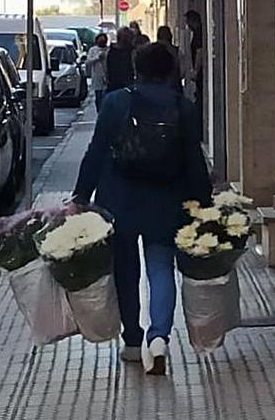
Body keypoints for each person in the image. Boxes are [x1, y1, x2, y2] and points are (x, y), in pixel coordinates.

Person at [73, 43, 212, 376]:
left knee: (125, 270)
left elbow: (96, 152)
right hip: (166, 201)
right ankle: (159, 337)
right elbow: (194, 161)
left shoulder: (116, 102)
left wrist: (81, 195)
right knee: (161, 267)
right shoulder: (184, 107)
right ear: (169, 72)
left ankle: (133, 341)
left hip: (119, 200)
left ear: (137, 70)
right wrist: (204, 204)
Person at [185, 10, 204, 134]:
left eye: (188, 22)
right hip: (200, 72)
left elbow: (199, 52)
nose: (187, 25)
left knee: (200, 98)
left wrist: (196, 71)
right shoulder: (199, 33)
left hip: (201, 73)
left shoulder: (198, 34)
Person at [105, 27, 136, 96]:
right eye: (125, 36)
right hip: (114, 85)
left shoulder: (133, 51)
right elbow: (106, 68)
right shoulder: (111, 51)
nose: (127, 39)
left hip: (128, 85)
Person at [156, 25, 185, 92]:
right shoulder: (176, 51)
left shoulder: (151, 50)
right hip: (174, 87)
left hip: (157, 88)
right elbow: (182, 72)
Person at [86, 32, 109, 111]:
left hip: (107, 77)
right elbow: (88, 62)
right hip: (97, 77)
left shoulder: (108, 50)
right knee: (98, 97)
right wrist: (97, 58)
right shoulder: (93, 50)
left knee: (106, 97)